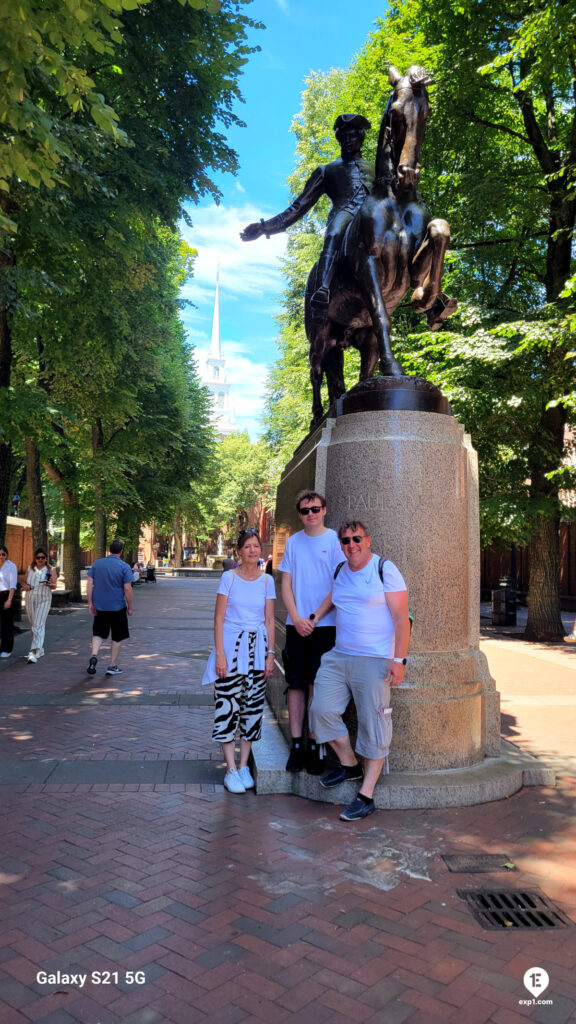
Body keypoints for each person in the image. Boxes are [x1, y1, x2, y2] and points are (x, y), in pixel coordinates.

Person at [309, 520, 410, 821]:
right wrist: (313, 617)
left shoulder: (384, 570)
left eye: (356, 540)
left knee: (373, 725)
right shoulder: (340, 570)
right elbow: (333, 596)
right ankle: (349, 764)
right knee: (321, 710)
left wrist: (399, 660)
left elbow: (401, 619)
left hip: (376, 658)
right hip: (340, 656)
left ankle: (366, 796)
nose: (351, 546)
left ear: (367, 540)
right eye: (345, 541)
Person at [241, 113, 372, 319]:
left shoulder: (377, 168)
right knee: (334, 233)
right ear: (338, 139)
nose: (348, 141)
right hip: (345, 214)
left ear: (361, 138)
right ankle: (324, 289)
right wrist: (264, 227)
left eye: (353, 136)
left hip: (375, 219)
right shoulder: (326, 171)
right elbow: (298, 207)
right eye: (343, 137)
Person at [202, 529, 275, 794]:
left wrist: (270, 655)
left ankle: (244, 765)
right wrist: (220, 653)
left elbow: (268, 620)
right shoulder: (228, 578)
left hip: (257, 651)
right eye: (247, 547)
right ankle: (230, 768)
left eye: (256, 546)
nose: (253, 551)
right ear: (239, 551)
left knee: (253, 709)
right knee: (227, 706)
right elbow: (219, 618)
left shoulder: (267, 581)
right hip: (231, 650)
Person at [278, 491, 342, 774]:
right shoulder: (293, 542)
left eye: (315, 509)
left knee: (318, 685)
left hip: (324, 626)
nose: (310, 514)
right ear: (300, 514)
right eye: (305, 511)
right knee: (295, 684)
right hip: (296, 625)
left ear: (324, 510)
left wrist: (314, 618)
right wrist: (295, 617)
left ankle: (316, 742)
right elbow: (286, 584)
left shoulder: (335, 541)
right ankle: (296, 744)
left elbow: (336, 586)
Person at [86, 538, 133, 677]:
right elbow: (127, 589)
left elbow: (89, 584)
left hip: (100, 607)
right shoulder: (124, 566)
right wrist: (130, 607)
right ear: (121, 551)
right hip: (117, 607)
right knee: (117, 636)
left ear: (109, 549)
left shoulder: (97, 564)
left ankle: (94, 654)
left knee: (98, 633)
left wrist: (90, 603)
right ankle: (111, 665)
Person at [20, 548, 58, 662]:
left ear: (46, 559)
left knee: (38, 624)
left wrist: (50, 584)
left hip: (44, 598)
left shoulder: (51, 569)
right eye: (38, 557)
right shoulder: (30, 568)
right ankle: (40, 649)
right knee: (33, 624)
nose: (40, 559)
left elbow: (54, 585)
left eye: (42, 557)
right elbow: (23, 581)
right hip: (30, 597)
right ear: (35, 558)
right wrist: (25, 586)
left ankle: (34, 651)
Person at [0, 546, 17, 659]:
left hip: (6, 595)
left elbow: (12, 585)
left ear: (7, 555)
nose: (1, 557)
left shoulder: (11, 566)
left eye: (3, 554)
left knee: (6, 624)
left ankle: (7, 648)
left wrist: (9, 600)